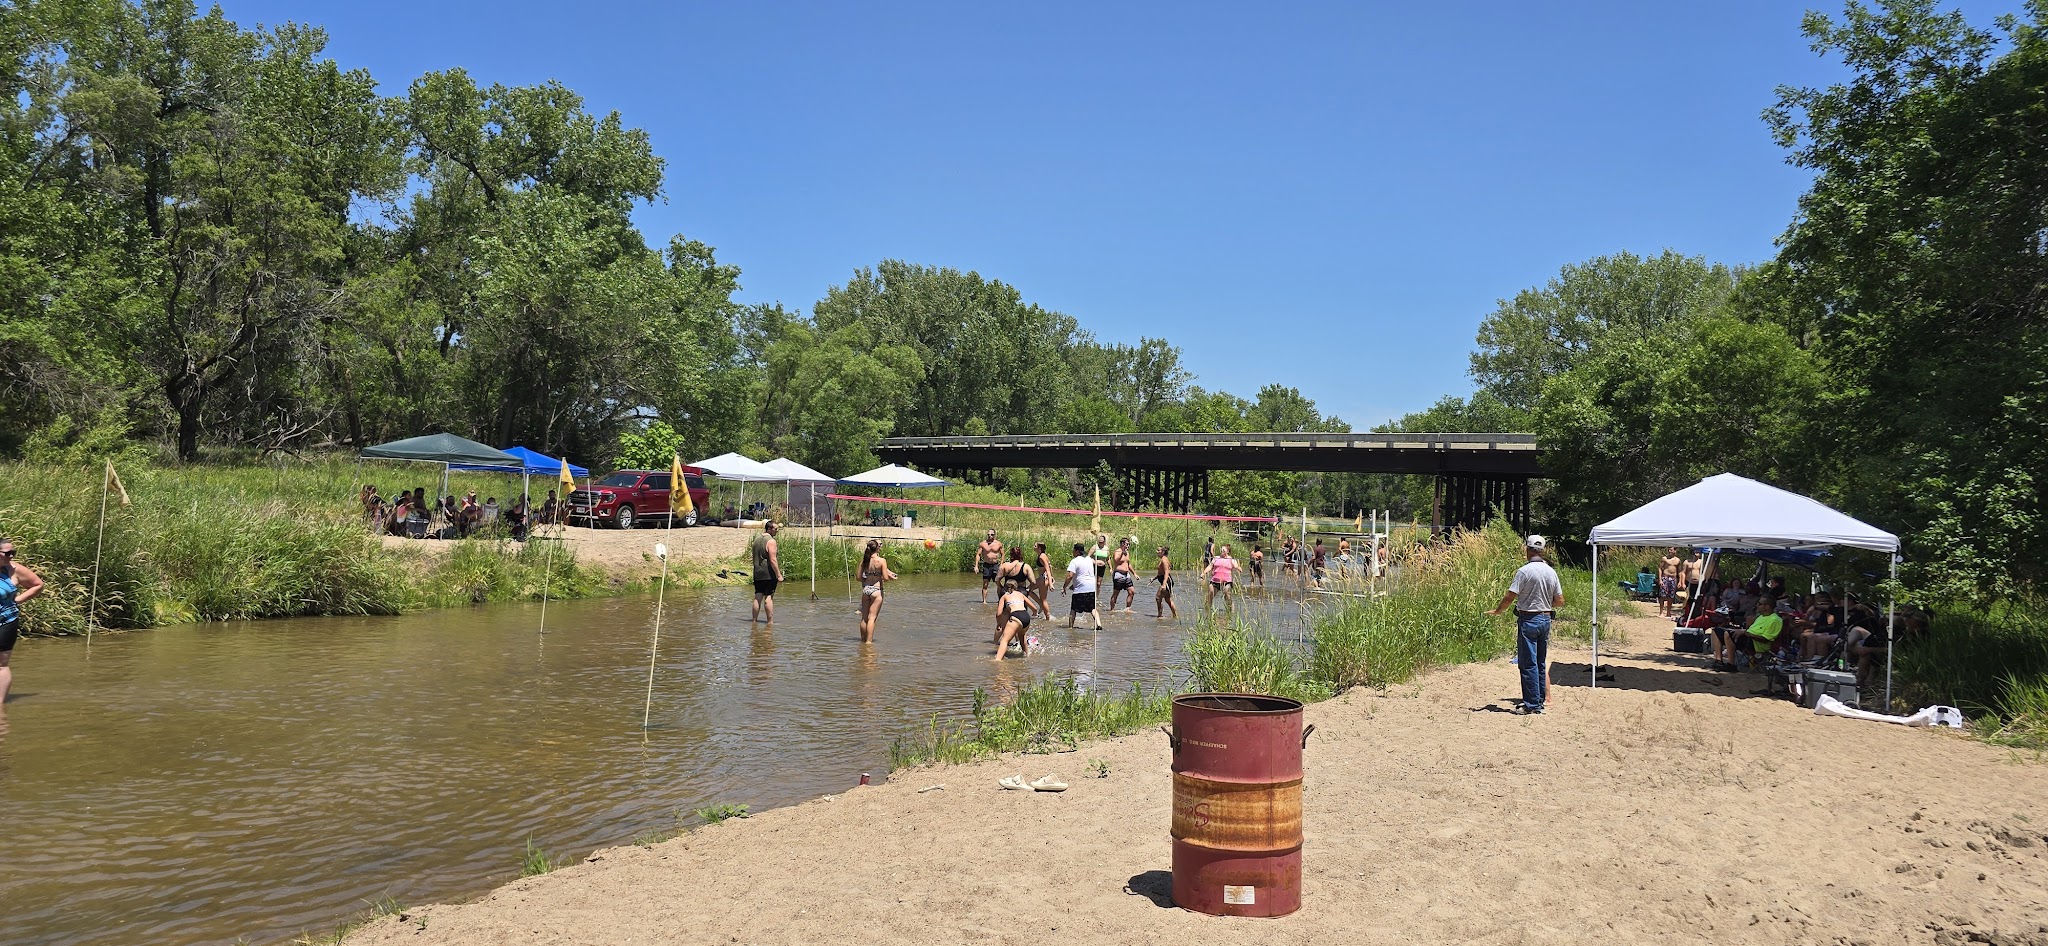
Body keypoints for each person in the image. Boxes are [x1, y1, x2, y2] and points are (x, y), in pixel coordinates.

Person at [1486, 535, 1562, 715]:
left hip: (1528, 619)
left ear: (1527, 549)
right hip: (1545, 618)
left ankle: (1532, 704)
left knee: (1527, 663)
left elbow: (1509, 596)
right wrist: (1543, 603)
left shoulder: (1524, 572)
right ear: (1542, 550)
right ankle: (1541, 699)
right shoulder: (1551, 572)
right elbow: (1559, 600)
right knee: (1540, 662)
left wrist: (1498, 610)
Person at [0, 537, 45, 703]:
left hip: (5, 620)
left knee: (1, 664)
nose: (11, 556)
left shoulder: (14, 569)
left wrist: (18, 600)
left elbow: (37, 584)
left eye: (14, 552)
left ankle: (1, 706)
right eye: (7, 553)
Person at [1713, 594, 1783, 672]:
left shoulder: (1775, 620)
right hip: (1748, 638)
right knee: (1717, 630)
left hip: (1757, 644)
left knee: (1729, 634)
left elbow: (1765, 639)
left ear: (1767, 606)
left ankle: (1731, 664)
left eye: (1759, 604)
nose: (1757, 605)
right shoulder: (1761, 616)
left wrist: (1745, 633)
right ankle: (1719, 661)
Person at [855, 539, 897, 643]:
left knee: (864, 618)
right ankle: (868, 643)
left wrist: (867, 580)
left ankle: (863, 641)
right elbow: (886, 578)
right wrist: (890, 578)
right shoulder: (881, 561)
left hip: (866, 590)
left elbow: (858, 577)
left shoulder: (864, 560)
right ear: (877, 548)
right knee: (872, 618)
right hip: (876, 591)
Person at [993, 573, 1035, 661]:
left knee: (1004, 640)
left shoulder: (1004, 596)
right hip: (1026, 617)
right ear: (1016, 587)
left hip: (1016, 616)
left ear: (1005, 587)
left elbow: (999, 613)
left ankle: (997, 660)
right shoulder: (1021, 595)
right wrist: (1034, 613)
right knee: (1022, 636)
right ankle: (1027, 655)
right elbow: (1034, 608)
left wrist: (999, 623)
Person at [751, 521, 784, 623]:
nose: (777, 531)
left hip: (757, 572)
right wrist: (778, 575)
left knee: (758, 596)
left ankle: (754, 621)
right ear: (769, 529)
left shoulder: (756, 540)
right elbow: (773, 559)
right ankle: (770, 623)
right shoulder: (771, 541)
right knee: (768, 597)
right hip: (768, 573)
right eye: (775, 529)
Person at [1063, 542, 1101, 630]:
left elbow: (1070, 576)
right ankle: (1099, 624)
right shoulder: (1089, 559)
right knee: (1093, 609)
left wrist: (1064, 587)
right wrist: (1074, 584)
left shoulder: (1074, 561)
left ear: (1076, 551)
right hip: (1091, 588)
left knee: (1073, 609)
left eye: (1073, 550)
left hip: (1080, 590)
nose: (1073, 552)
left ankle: (1070, 628)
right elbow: (1084, 574)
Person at [1203, 543, 1239, 613]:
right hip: (1215, 581)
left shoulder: (1232, 560)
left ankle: (1231, 610)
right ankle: (1206, 611)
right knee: (1210, 593)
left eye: (1223, 550)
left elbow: (1236, 566)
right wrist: (1203, 573)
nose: (1221, 551)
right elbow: (1210, 567)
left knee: (1226, 593)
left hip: (1226, 581)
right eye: (1221, 550)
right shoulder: (1216, 558)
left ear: (1227, 551)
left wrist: (1238, 568)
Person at [1108, 538, 1136, 613]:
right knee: (1116, 593)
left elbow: (1128, 564)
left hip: (1127, 575)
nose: (1128, 546)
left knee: (1132, 592)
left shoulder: (1127, 553)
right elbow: (1116, 560)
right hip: (1118, 575)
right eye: (1127, 544)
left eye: (1129, 544)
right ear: (1122, 544)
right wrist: (1122, 553)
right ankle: (1112, 610)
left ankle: (1128, 608)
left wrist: (1134, 574)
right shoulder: (1117, 551)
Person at [978, 530, 1004, 604]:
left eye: (992, 534)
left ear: (994, 535)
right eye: (988, 534)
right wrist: (976, 565)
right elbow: (978, 554)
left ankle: (1000, 599)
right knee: (985, 583)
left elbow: (1002, 554)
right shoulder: (983, 544)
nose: (990, 536)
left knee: (998, 582)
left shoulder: (998, 544)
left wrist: (1001, 564)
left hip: (995, 565)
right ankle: (984, 601)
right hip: (986, 565)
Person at [1154, 545, 1178, 620]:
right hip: (1166, 581)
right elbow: (1161, 572)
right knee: (1167, 599)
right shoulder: (1163, 559)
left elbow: (1167, 572)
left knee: (1158, 597)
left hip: (1166, 581)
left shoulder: (1164, 560)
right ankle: (1175, 616)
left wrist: (1164, 584)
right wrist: (1154, 578)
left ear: (1163, 552)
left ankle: (1160, 616)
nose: (1157, 552)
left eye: (1158, 550)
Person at [1658, 548, 1683, 617]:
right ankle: (1661, 612)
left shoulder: (1678, 560)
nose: (1669, 551)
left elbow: (1680, 571)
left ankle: (1668, 612)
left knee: (1671, 596)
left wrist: (1680, 581)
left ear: (1675, 550)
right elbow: (1660, 568)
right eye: (1668, 549)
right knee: (1663, 595)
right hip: (1665, 577)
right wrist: (1660, 579)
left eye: (1671, 549)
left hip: (1673, 578)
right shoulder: (1665, 559)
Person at [1032, 543, 1054, 618]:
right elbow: (1050, 566)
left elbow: (1047, 569)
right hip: (1043, 578)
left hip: (1043, 578)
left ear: (1039, 548)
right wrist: (1052, 577)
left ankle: (1047, 615)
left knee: (1028, 590)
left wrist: (1051, 583)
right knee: (1029, 590)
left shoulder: (1042, 557)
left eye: (1035, 546)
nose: (1033, 547)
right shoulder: (1042, 555)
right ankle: (1046, 616)